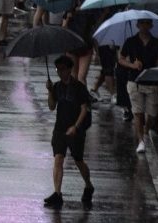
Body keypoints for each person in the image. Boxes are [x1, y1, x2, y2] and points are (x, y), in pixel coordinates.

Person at [43, 55, 94, 209]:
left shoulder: (79, 87)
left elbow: (84, 109)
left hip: (76, 130)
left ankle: (88, 185)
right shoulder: (57, 87)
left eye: (62, 69)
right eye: (58, 69)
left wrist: (76, 127)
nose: (60, 72)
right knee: (58, 158)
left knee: (78, 160)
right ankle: (57, 193)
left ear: (70, 69)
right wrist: (50, 91)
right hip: (59, 129)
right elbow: (52, 107)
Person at [119, 18, 158, 154]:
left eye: (147, 23)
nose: (144, 26)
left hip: (152, 82)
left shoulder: (157, 43)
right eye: (142, 23)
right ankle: (140, 140)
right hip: (135, 81)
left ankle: (145, 130)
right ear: (138, 25)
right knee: (138, 113)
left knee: (152, 114)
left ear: (151, 25)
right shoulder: (131, 41)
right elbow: (121, 58)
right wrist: (132, 65)